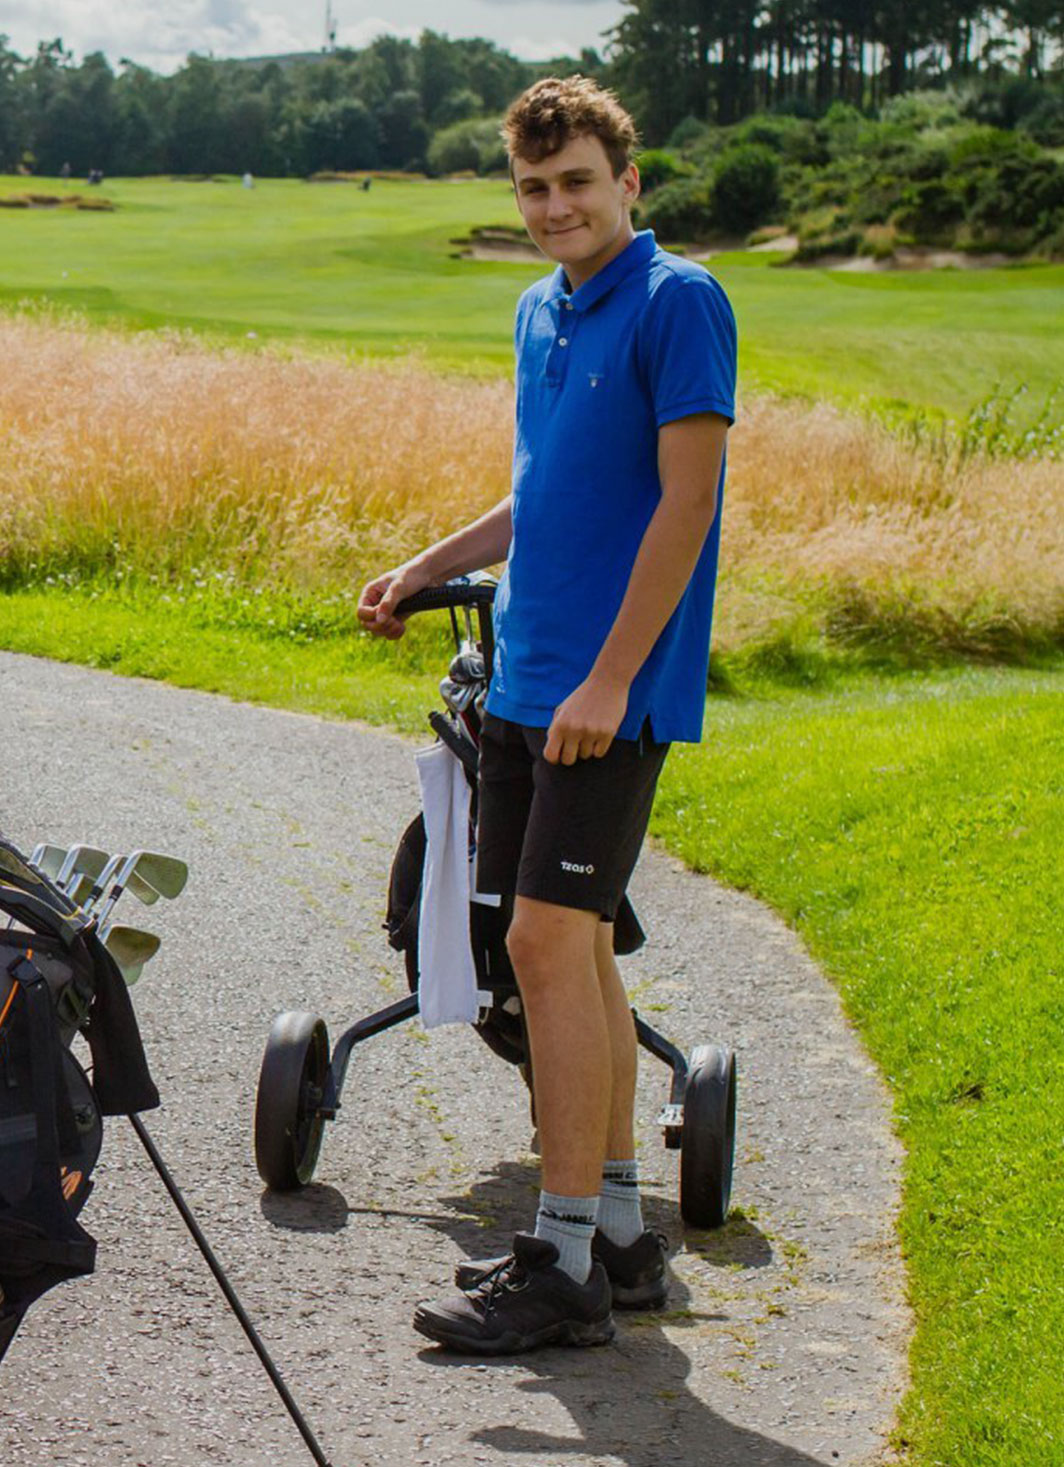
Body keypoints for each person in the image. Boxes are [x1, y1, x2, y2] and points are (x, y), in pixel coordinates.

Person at [357, 76, 735, 1356]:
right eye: (533, 188)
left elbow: (685, 504)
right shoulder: (539, 310)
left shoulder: (680, 301)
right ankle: (622, 1235)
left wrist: (615, 677)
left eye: (577, 181)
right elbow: (539, 492)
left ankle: (560, 1255)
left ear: (629, 182)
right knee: (577, 959)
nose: (555, 206)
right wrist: (422, 565)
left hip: (603, 693)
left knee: (539, 945)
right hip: (524, 677)